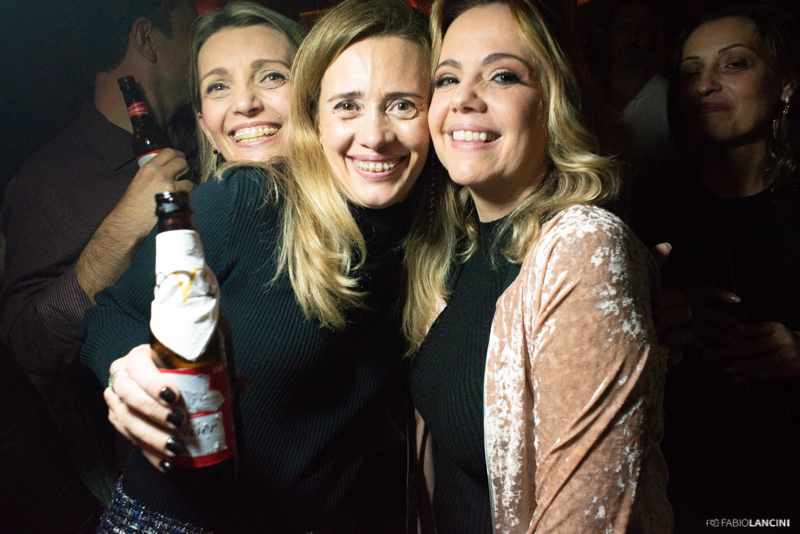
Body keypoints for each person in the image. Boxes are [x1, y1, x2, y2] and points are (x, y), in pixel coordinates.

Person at [80, 0, 431, 531]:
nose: (246, 103)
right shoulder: (245, 197)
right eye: (218, 86)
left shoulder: (415, 219)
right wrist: (130, 372)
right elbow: (109, 313)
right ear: (203, 123)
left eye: (271, 76)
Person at [406, 1, 673, 532]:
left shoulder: (584, 247)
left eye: (503, 76)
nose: (463, 98)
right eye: (447, 78)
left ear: (555, 102)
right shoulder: (457, 247)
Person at [0, 0, 197, 505]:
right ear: (147, 39)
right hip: (158, 474)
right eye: (191, 30)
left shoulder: (200, 133)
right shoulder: (48, 180)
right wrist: (119, 232)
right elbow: (29, 345)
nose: (200, 46)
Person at [631, 3, 800, 528]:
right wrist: (645, 323)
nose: (705, 84)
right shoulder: (648, 205)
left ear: (786, 84)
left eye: (734, 63)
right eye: (690, 72)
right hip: (683, 480)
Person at [603, 0, 669, 172]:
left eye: (643, 28)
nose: (632, 37)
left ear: (655, 36)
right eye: (623, 28)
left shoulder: (669, 98)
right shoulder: (584, 92)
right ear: (609, 34)